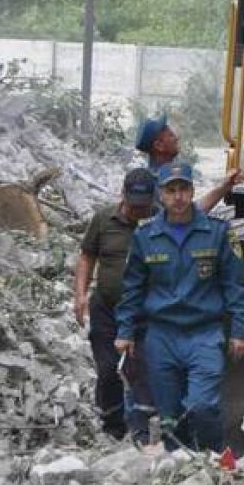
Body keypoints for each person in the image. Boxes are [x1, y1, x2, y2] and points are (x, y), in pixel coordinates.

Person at [114, 162, 244, 452]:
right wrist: (125, 331)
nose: (178, 197)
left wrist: (240, 330)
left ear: (192, 191)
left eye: (184, 189)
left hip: (204, 333)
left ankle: (213, 456)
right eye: (170, 190)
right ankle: (179, 463)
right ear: (160, 195)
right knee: (169, 416)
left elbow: (235, 285)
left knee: (202, 406)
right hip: (161, 335)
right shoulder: (145, 236)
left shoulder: (217, 233)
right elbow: (132, 289)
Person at [74, 168, 158, 442]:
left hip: (145, 313)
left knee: (141, 369)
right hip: (106, 309)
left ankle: (142, 429)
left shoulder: (161, 221)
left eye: (143, 207)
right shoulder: (104, 219)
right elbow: (87, 257)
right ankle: (112, 424)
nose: (137, 212)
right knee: (108, 369)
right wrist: (80, 294)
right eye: (133, 206)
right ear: (123, 195)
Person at [134, 114, 242, 213]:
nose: (176, 138)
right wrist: (224, 187)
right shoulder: (155, 183)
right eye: (171, 135)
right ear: (159, 146)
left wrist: (225, 186)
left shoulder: (166, 173)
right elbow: (188, 215)